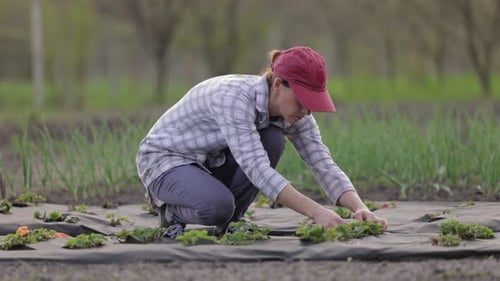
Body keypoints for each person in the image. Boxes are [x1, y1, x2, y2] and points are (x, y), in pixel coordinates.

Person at [136, 46, 388, 238]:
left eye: (313, 104)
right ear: (278, 85)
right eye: (302, 101)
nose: (307, 112)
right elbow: (257, 169)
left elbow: (322, 163)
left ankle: (232, 220)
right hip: (166, 161)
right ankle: (171, 213)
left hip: (212, 159)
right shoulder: (232, 98)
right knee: (217, 207)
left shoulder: (296, 114)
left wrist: (359, 208)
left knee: (272, 139)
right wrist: (318, 213)